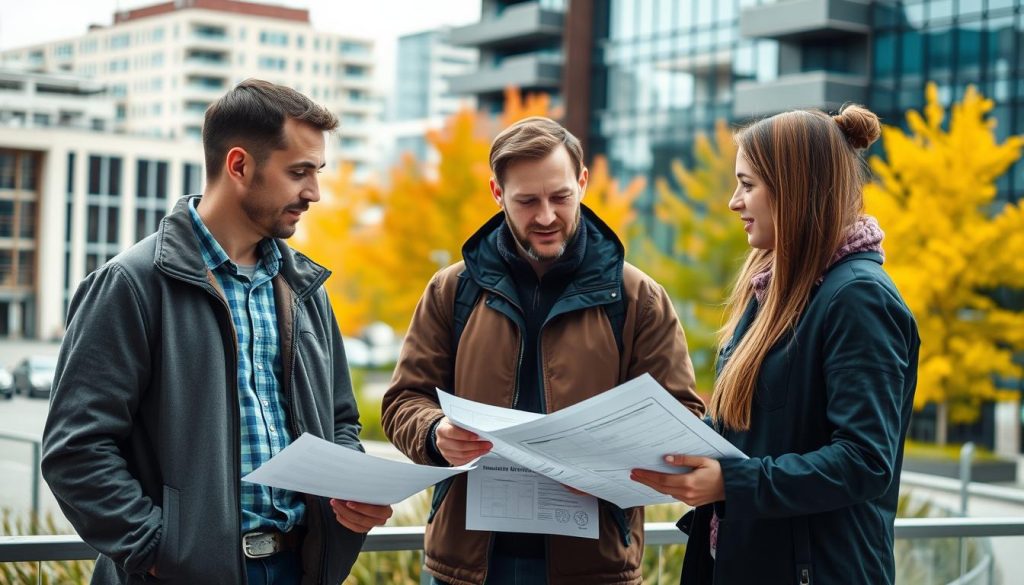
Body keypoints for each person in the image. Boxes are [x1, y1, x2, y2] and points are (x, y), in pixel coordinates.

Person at [41, 79, 392, 585]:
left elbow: (340, 421)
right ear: (239, 166)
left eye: (317, 173)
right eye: (299, 173)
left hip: (301, 568)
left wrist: (351, 493)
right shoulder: (130, 285)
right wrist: (163, 551)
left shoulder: (305, 289)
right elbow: (77, 451)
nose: (314, 192)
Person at [382, 116, 705, 585]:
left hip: (593, 567)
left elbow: (683, 419)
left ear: (583, 182)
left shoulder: (639, 298)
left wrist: (606, 465)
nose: (547, 216)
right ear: (497, 193)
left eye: (561, 197)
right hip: (467, 566)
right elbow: (402, 401)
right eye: (527, 201)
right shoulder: (451, 290)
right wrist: (434, 432)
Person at [630, 105, 920, 584]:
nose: (733, 202)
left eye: (747, 185)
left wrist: (730, 482)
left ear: (794, 190)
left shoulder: (857, 299)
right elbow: (763, 433)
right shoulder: (774, 291)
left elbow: (865, 461)